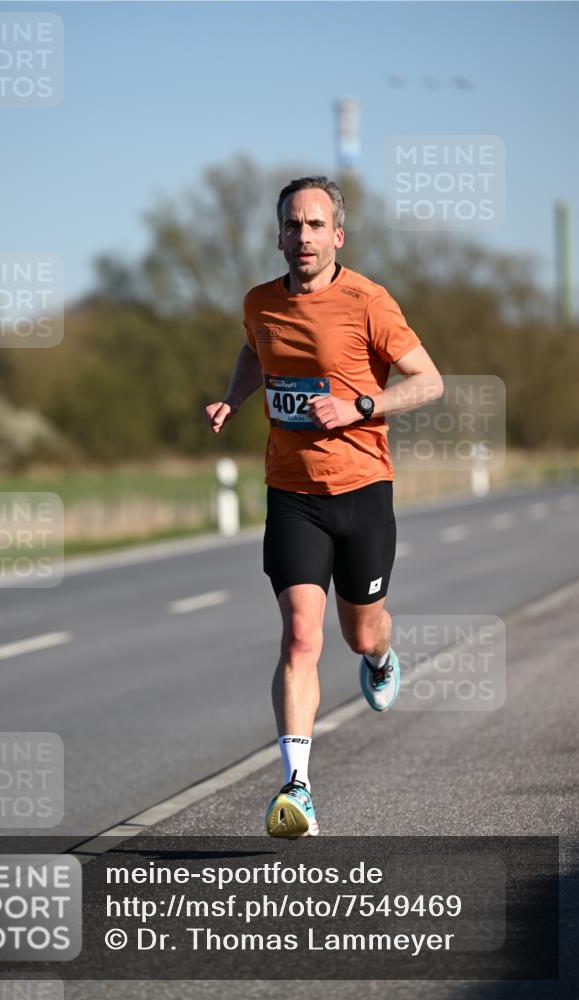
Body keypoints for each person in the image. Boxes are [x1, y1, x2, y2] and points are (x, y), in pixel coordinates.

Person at [204, 176, 443, 838]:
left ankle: (378, 659)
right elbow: (257, 349)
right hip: (292, 495)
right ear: (277, 234)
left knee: (359, 632)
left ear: (335, 234)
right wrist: (235, 397)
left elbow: (429, 381)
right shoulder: (258, 302)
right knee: (300, 634)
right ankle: (297, 790)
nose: (301, 236)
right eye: (291, 225)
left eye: (314, 226)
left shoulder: (368, 301)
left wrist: (360, 405)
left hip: (362, 490)